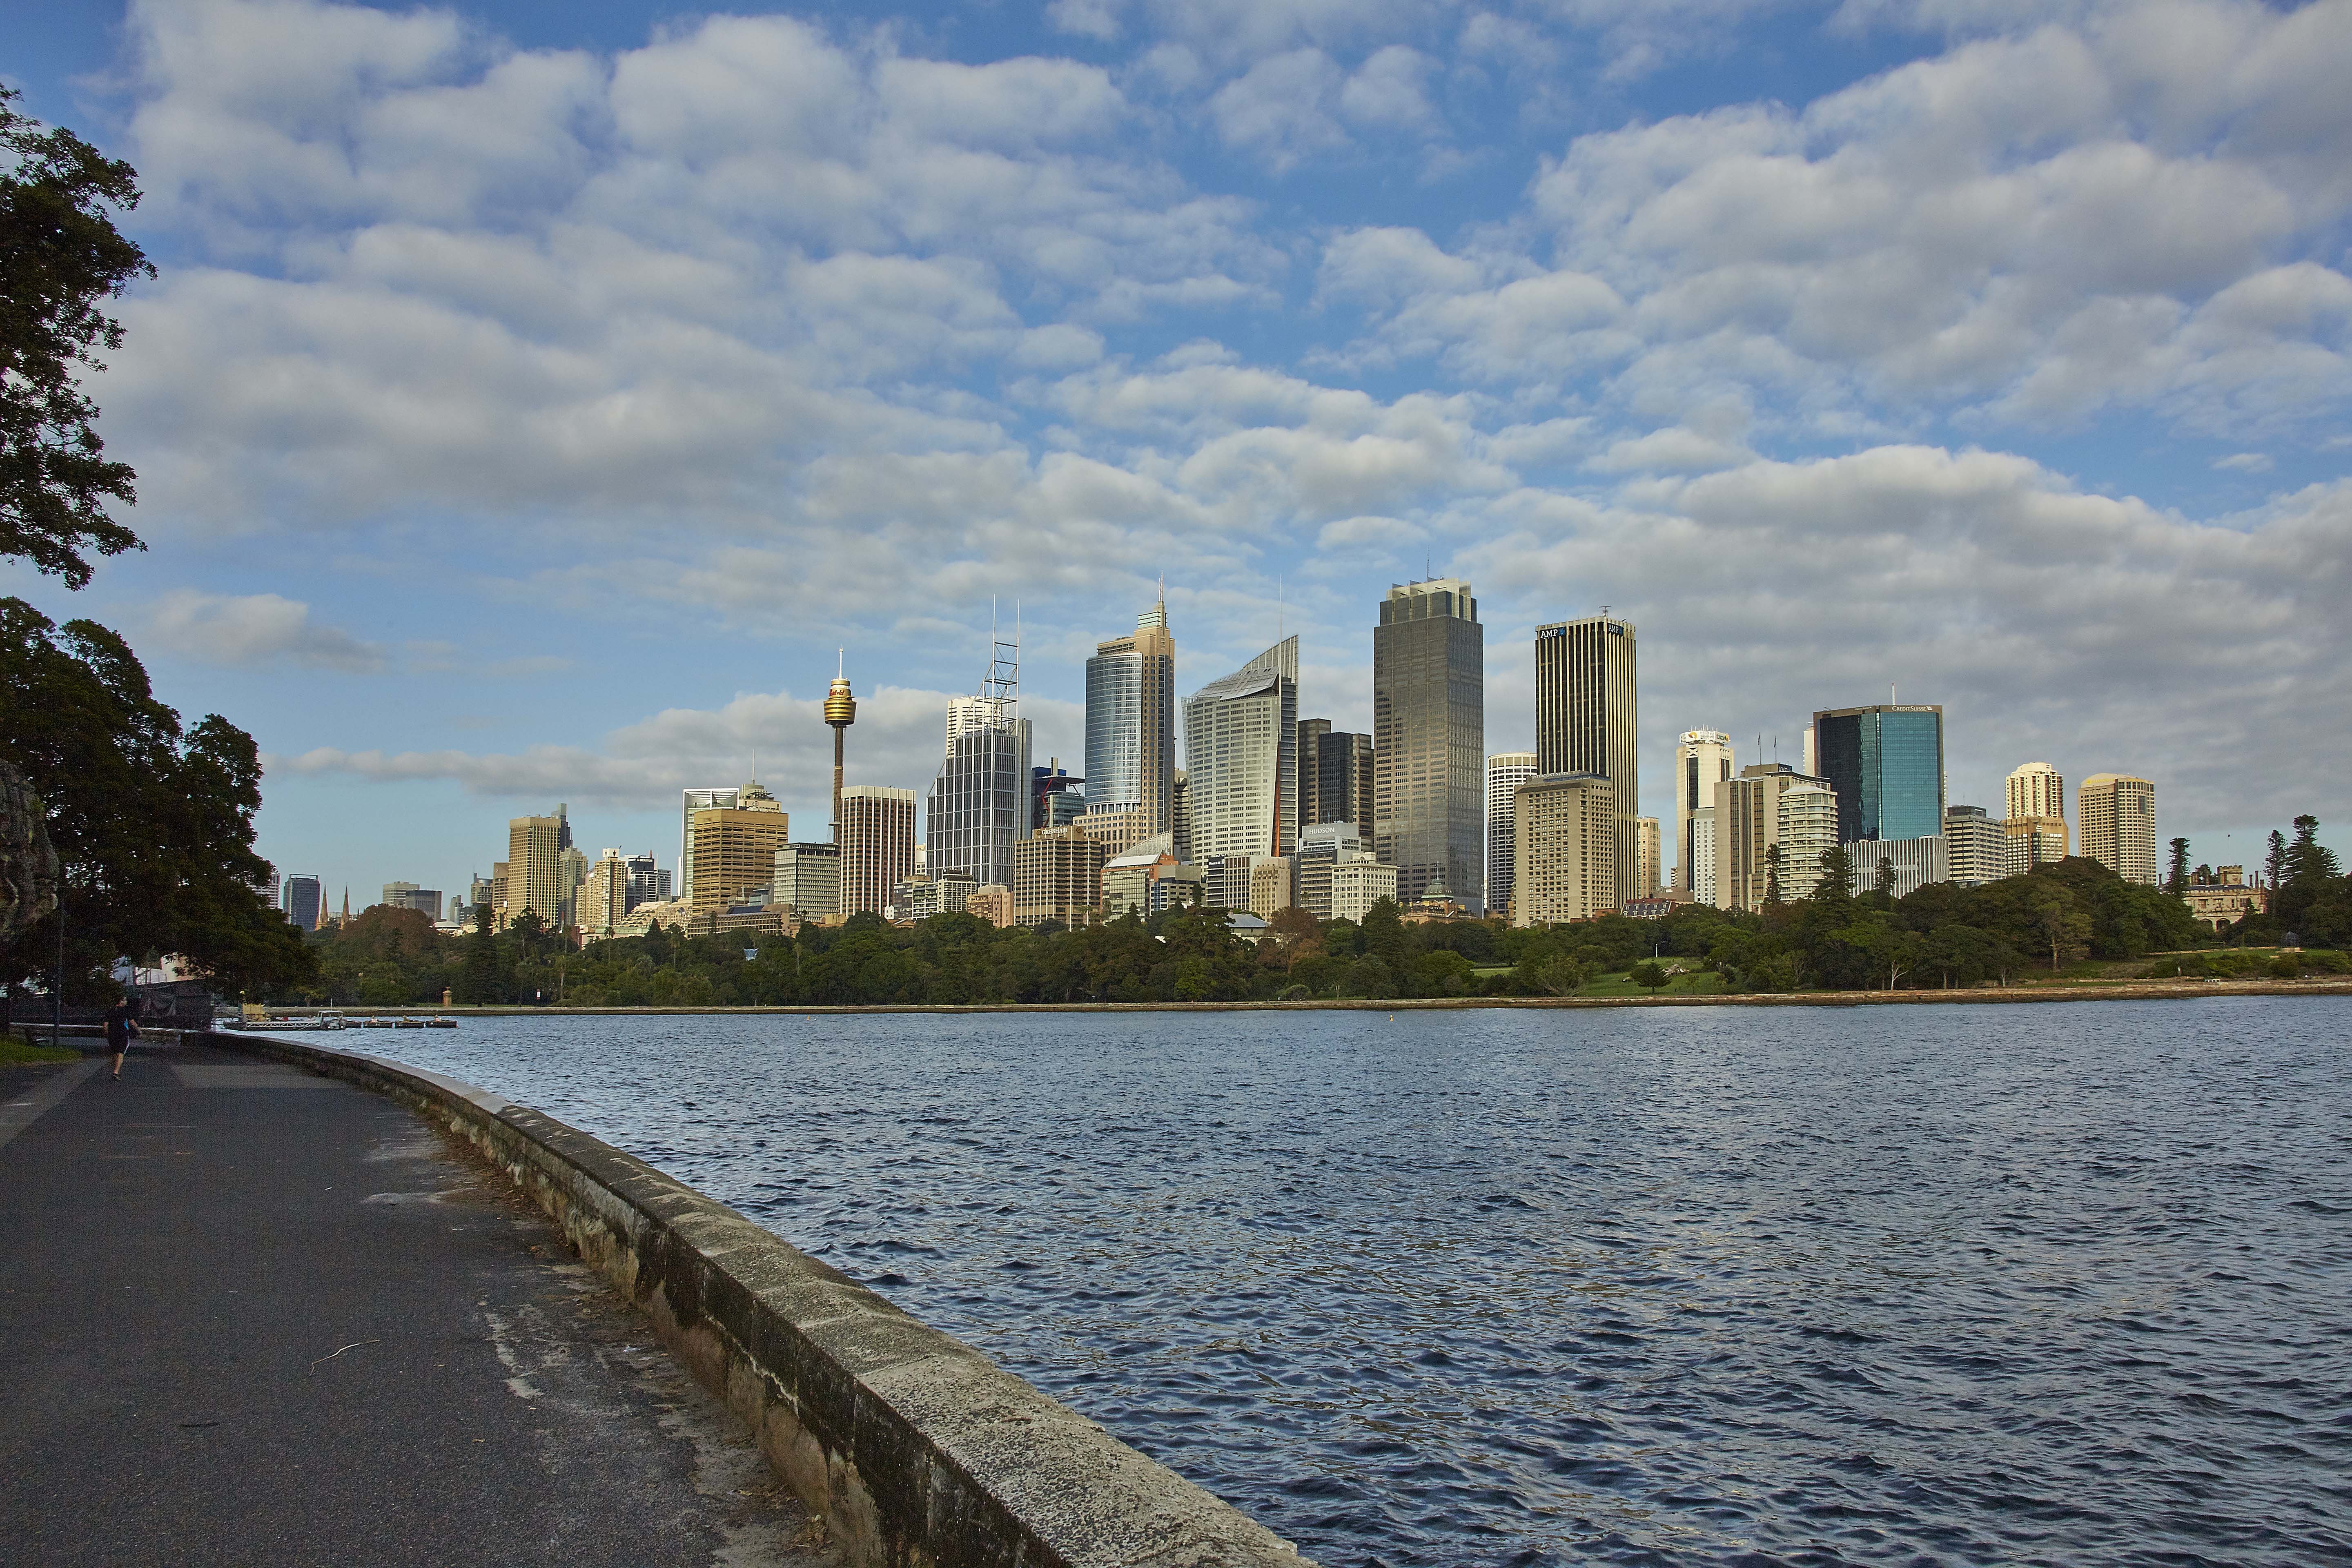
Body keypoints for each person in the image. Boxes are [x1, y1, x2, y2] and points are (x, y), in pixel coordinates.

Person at [103, 993, 140, 1081]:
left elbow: (105, 1025)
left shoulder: (110, 1011)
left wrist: (107, 1033)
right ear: (121, 1001)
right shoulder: (125, 1011)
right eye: (125, 1000)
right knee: (121, 1053)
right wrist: (139, 1031)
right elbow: (132, 1023)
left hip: (112, 1035)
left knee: (115, 1052)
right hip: (123, 1034)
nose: (127, 1002)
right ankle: (116, 1072)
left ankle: (114, 1068)